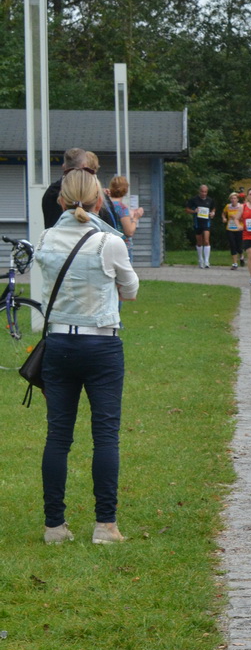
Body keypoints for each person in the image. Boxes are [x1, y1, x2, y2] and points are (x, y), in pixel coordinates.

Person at [37, 169, 138, 546]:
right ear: (99, 201)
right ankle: (105, 526)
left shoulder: (46, 238)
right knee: (105, 435)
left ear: (61, 200)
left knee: (58, 436)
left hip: (59, 343)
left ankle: (54, 527)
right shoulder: (109, 242)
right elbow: (131, 290)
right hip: (101, 344)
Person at [185, 184, 216, 268]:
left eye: (205, 192)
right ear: (199, 191)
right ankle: (200, 259)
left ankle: (207, 261)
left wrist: (212, 213)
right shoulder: (194, 200)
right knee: (199, 242)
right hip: (197, 223)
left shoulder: (210, 200)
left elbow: (213, 208)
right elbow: (187, 210)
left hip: (206, 222)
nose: (204, 193)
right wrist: (194, 211)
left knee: (206, 240)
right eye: (202, 192)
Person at [106, 176, 141, 240]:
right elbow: (129, 232)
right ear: (125, 190)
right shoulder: (122, 208)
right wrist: (136, 218)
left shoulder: (106, 205)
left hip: (108, 241)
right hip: (122, 243)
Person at [221, 190, 245, 268]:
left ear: (237, 199)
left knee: (239, 246)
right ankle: (235, 263)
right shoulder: (228, 206)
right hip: (230, 229)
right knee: (232, 245)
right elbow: (223, 213)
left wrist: (236, 218)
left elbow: (244, 217)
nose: (233, 200)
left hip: (239, 228)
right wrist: (224, 218)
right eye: (232, 198)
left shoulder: (241, 207)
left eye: (234, 198)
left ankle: (241, 256)